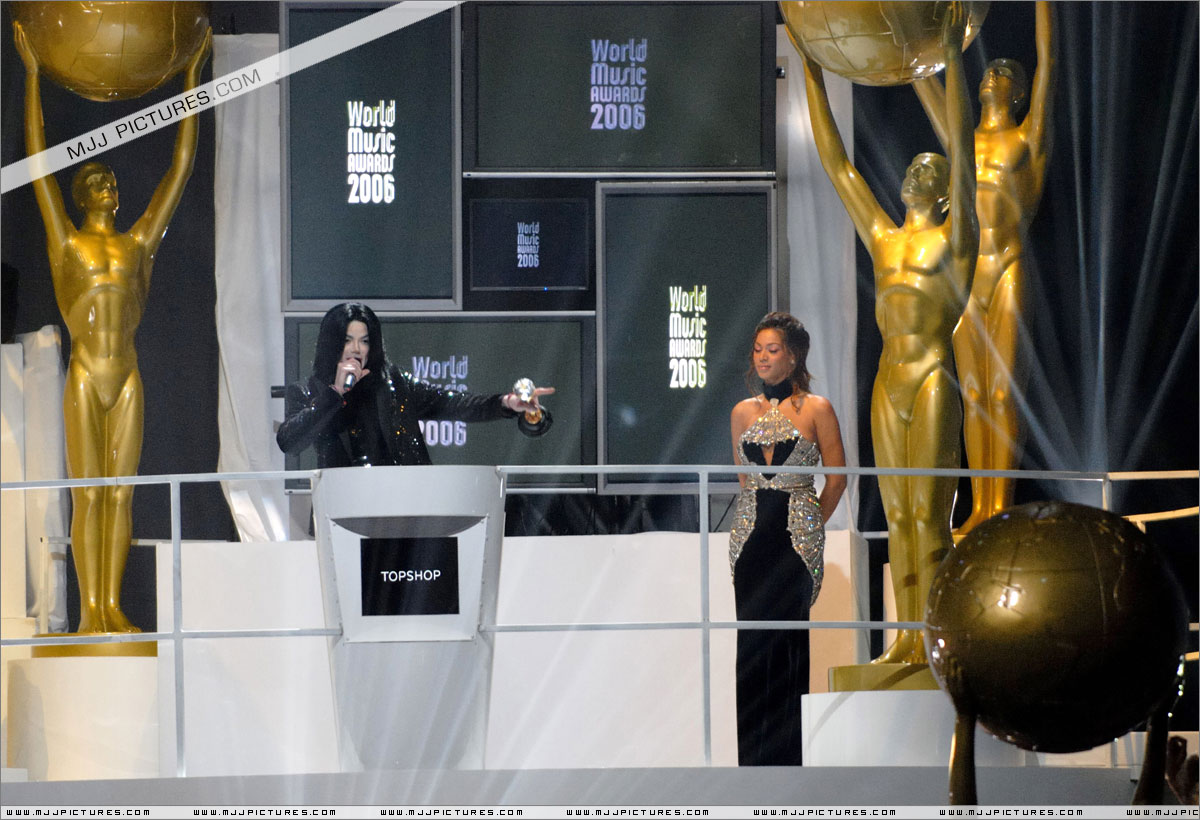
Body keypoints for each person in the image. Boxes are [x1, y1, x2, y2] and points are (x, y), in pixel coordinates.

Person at [14, 23, 211, 634]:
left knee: (122, 493)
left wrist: (191, 81)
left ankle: (112, 606)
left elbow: (179, 171)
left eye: (112, 180)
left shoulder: (136, 247)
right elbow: (39, 168)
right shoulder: (67, 246)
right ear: (81, 194)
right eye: (98, 179)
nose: (109, 184)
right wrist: (32, 76)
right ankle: (88, 613)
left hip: (126, 373)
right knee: (90, 494)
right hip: (84, 372)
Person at [803, 4, 978, 664]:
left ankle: (938, 639)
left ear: (943, 191)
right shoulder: (883, 237)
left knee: (931, 514)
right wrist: (812, 72)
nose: (915, 173)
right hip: (888, 380)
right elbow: (838, 165)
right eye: (913, 168)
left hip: (932, 376)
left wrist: (953, 58)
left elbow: (964, 154)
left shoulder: (955, 242)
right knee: (898, 516)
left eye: (928, 170)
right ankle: (905, 639)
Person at [913, 1, 1055, 537]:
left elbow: (1049, 60)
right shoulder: (963, 143)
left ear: (1019, 92)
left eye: (1005, 72)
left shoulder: (1028, 139)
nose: (994, 73)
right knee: (972, 395)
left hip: (1011, 266)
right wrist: (907, 42)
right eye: (991, 69)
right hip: (969, 277)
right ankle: (980, 505)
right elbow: (925, 86)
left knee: (1002, 392)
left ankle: (1002, 503)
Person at [727, 311, 846, 766]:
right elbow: (745, 481)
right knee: (751, 648)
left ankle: (786, 765)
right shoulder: (742, 413)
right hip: (750, 540)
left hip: (796, 542)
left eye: (772, 350)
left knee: (788, 646)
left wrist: (811, 523)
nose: (762, 357)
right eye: (758, 350)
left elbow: (837, 479)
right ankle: (750, 767)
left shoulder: (817, 409)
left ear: (793, 357)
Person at [276, 303, 553, 468]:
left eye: (365, 340)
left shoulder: (394, 383)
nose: (356, 349)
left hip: (407, 504)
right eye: (348, 340)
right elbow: (289, 442)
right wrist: (335, 393)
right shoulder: (308, 391)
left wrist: (506, 403)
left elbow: (454, 404)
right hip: (343, 510)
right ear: (332, 343)